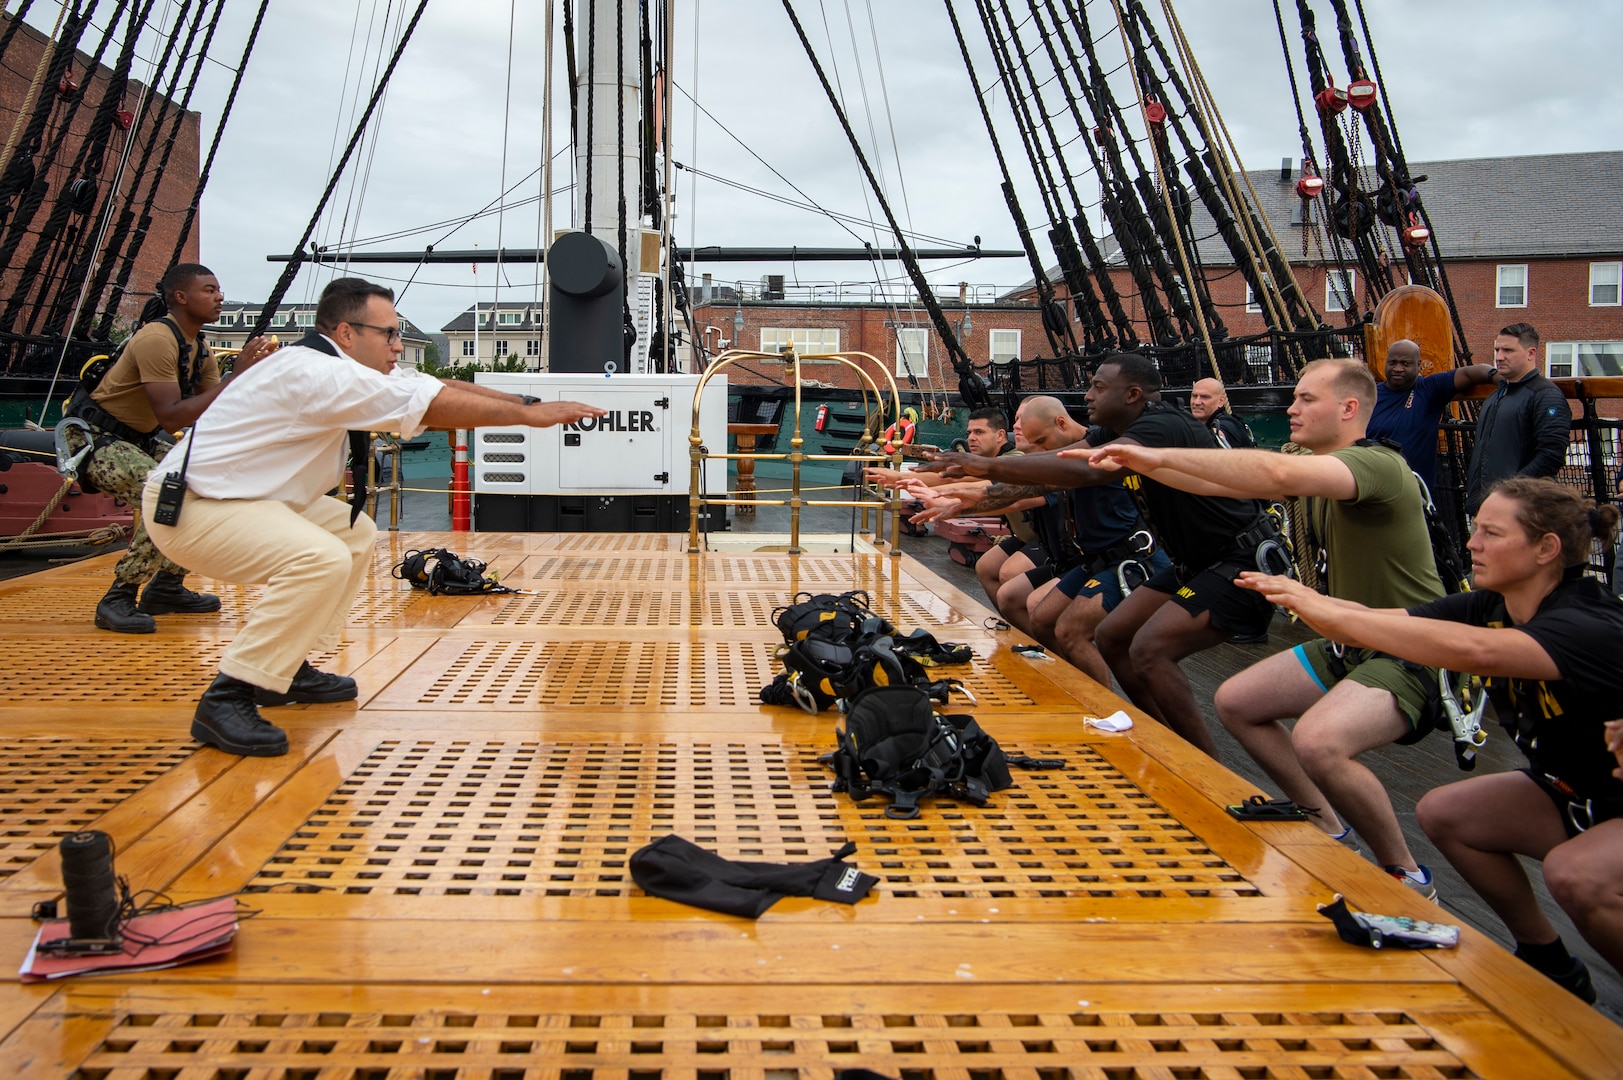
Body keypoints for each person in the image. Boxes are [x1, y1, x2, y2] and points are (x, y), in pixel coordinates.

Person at [142, 277, 605, 757]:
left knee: (353, 532)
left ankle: (282, 667)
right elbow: (432, 403)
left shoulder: (338, 366)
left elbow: (433, 385)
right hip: (194, 506)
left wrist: (528, 404)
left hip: (247, 497)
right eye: (388, 334)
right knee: (318, 558)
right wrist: (530, 418)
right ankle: (228, 697)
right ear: (346, 332)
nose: (399, 345)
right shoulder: (314, 373)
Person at [1241, 477, 1623, 1003]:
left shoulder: (1586, 623)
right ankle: (1548, 958)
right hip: (1573, 790)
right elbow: (1383, 623)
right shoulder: (1493, 605)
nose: (1471, 544)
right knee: (1447, 813)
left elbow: (1479, 654)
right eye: (1475, 530)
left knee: (1575, 875)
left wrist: (1330, 613)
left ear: (1546, 549)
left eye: (1491, 533)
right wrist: (1310, 600)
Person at [1088, 359, 1445, 898]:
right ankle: (1327, 823)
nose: (1291, 408)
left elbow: (1275, 475)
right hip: (1352, 639)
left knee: (1320, 742)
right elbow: (1207, 477)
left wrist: (1153, 454)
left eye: (1306, 400)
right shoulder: (1322, 466)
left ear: (1349, 409)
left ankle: (1406, 874)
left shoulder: (1373, 466)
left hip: (1412, 645)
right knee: (1238, 701)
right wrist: (1142, 463)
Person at [914, 354, 1271, 758]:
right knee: (1112, 637)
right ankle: (1157, 735)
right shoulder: (1111, 432)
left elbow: (1085, 470)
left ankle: (1202, 760)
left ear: (1132, 394)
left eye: (1099, 387)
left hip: (1231, 556)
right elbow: (1056, 469)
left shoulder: (1161, 425)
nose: (1088, 394)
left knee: (1148, 650)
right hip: (1190, 560)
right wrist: (969, 482)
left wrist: (980, 466)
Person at [65, 264, 278, 633]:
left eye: (219, 290)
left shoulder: (199, 349)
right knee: (165, 493)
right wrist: (236, 375)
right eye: (209, 290)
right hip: (95, 441)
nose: (220, 297)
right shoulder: (156, 339)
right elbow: (171, 418)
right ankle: (118, 597)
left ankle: (165, 587)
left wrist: (256, 378)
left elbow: (215, 412)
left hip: (136, 442)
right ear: (180, 297)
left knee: (208, 487)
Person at [1464, 323, 1570, 514]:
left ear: (1531, 353)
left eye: (1508, 350)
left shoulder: (1546, 396)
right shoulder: (1495, 397)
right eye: (1497, 349)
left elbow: (1551, 456)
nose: (1499, 357)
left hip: (1521, 511)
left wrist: (1509, 492)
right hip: (1485, 507)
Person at [1366, 338, 1495, 493]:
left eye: (1405, 364)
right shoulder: (1369, 395)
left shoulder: (1428, 389)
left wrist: (1498, 377)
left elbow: (1469, 373)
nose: (1397, 368)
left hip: (1413, 490)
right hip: (1372, 485)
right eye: (1392, 362)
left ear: (1419, 365)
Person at [1188, 377, 1254, 449]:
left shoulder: (1229, 424)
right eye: (1194, 396)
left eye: (1205, 397)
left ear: (1221, 401)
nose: (1197, 402)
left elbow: (1218, 434)